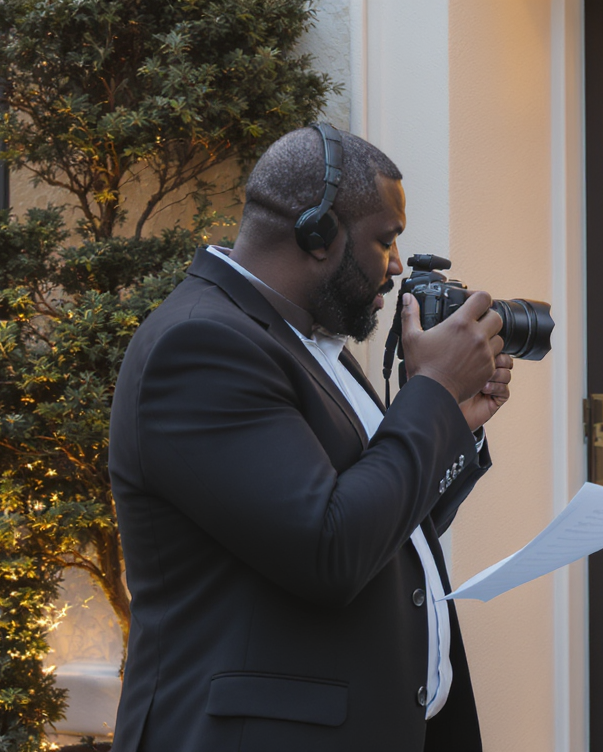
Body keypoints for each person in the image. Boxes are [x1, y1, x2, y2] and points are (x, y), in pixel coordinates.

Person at [109, 124, 512, 751]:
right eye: (386, 241)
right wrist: (430, 390)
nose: (398, 267)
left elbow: (384, 522)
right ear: (318, 234)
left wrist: (453, 419)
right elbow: (330, 551)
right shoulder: (201, 347)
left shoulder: (309, 341)